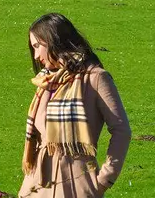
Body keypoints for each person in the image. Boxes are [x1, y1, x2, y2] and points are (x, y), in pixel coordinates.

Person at [21, 13, 130, 197]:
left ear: (53, 40)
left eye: (38, 46)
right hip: (37, 187)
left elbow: (122, 130)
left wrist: (104, 179)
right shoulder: (46, 81)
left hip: (75, 186)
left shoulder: (95, 78)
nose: (36, 55)